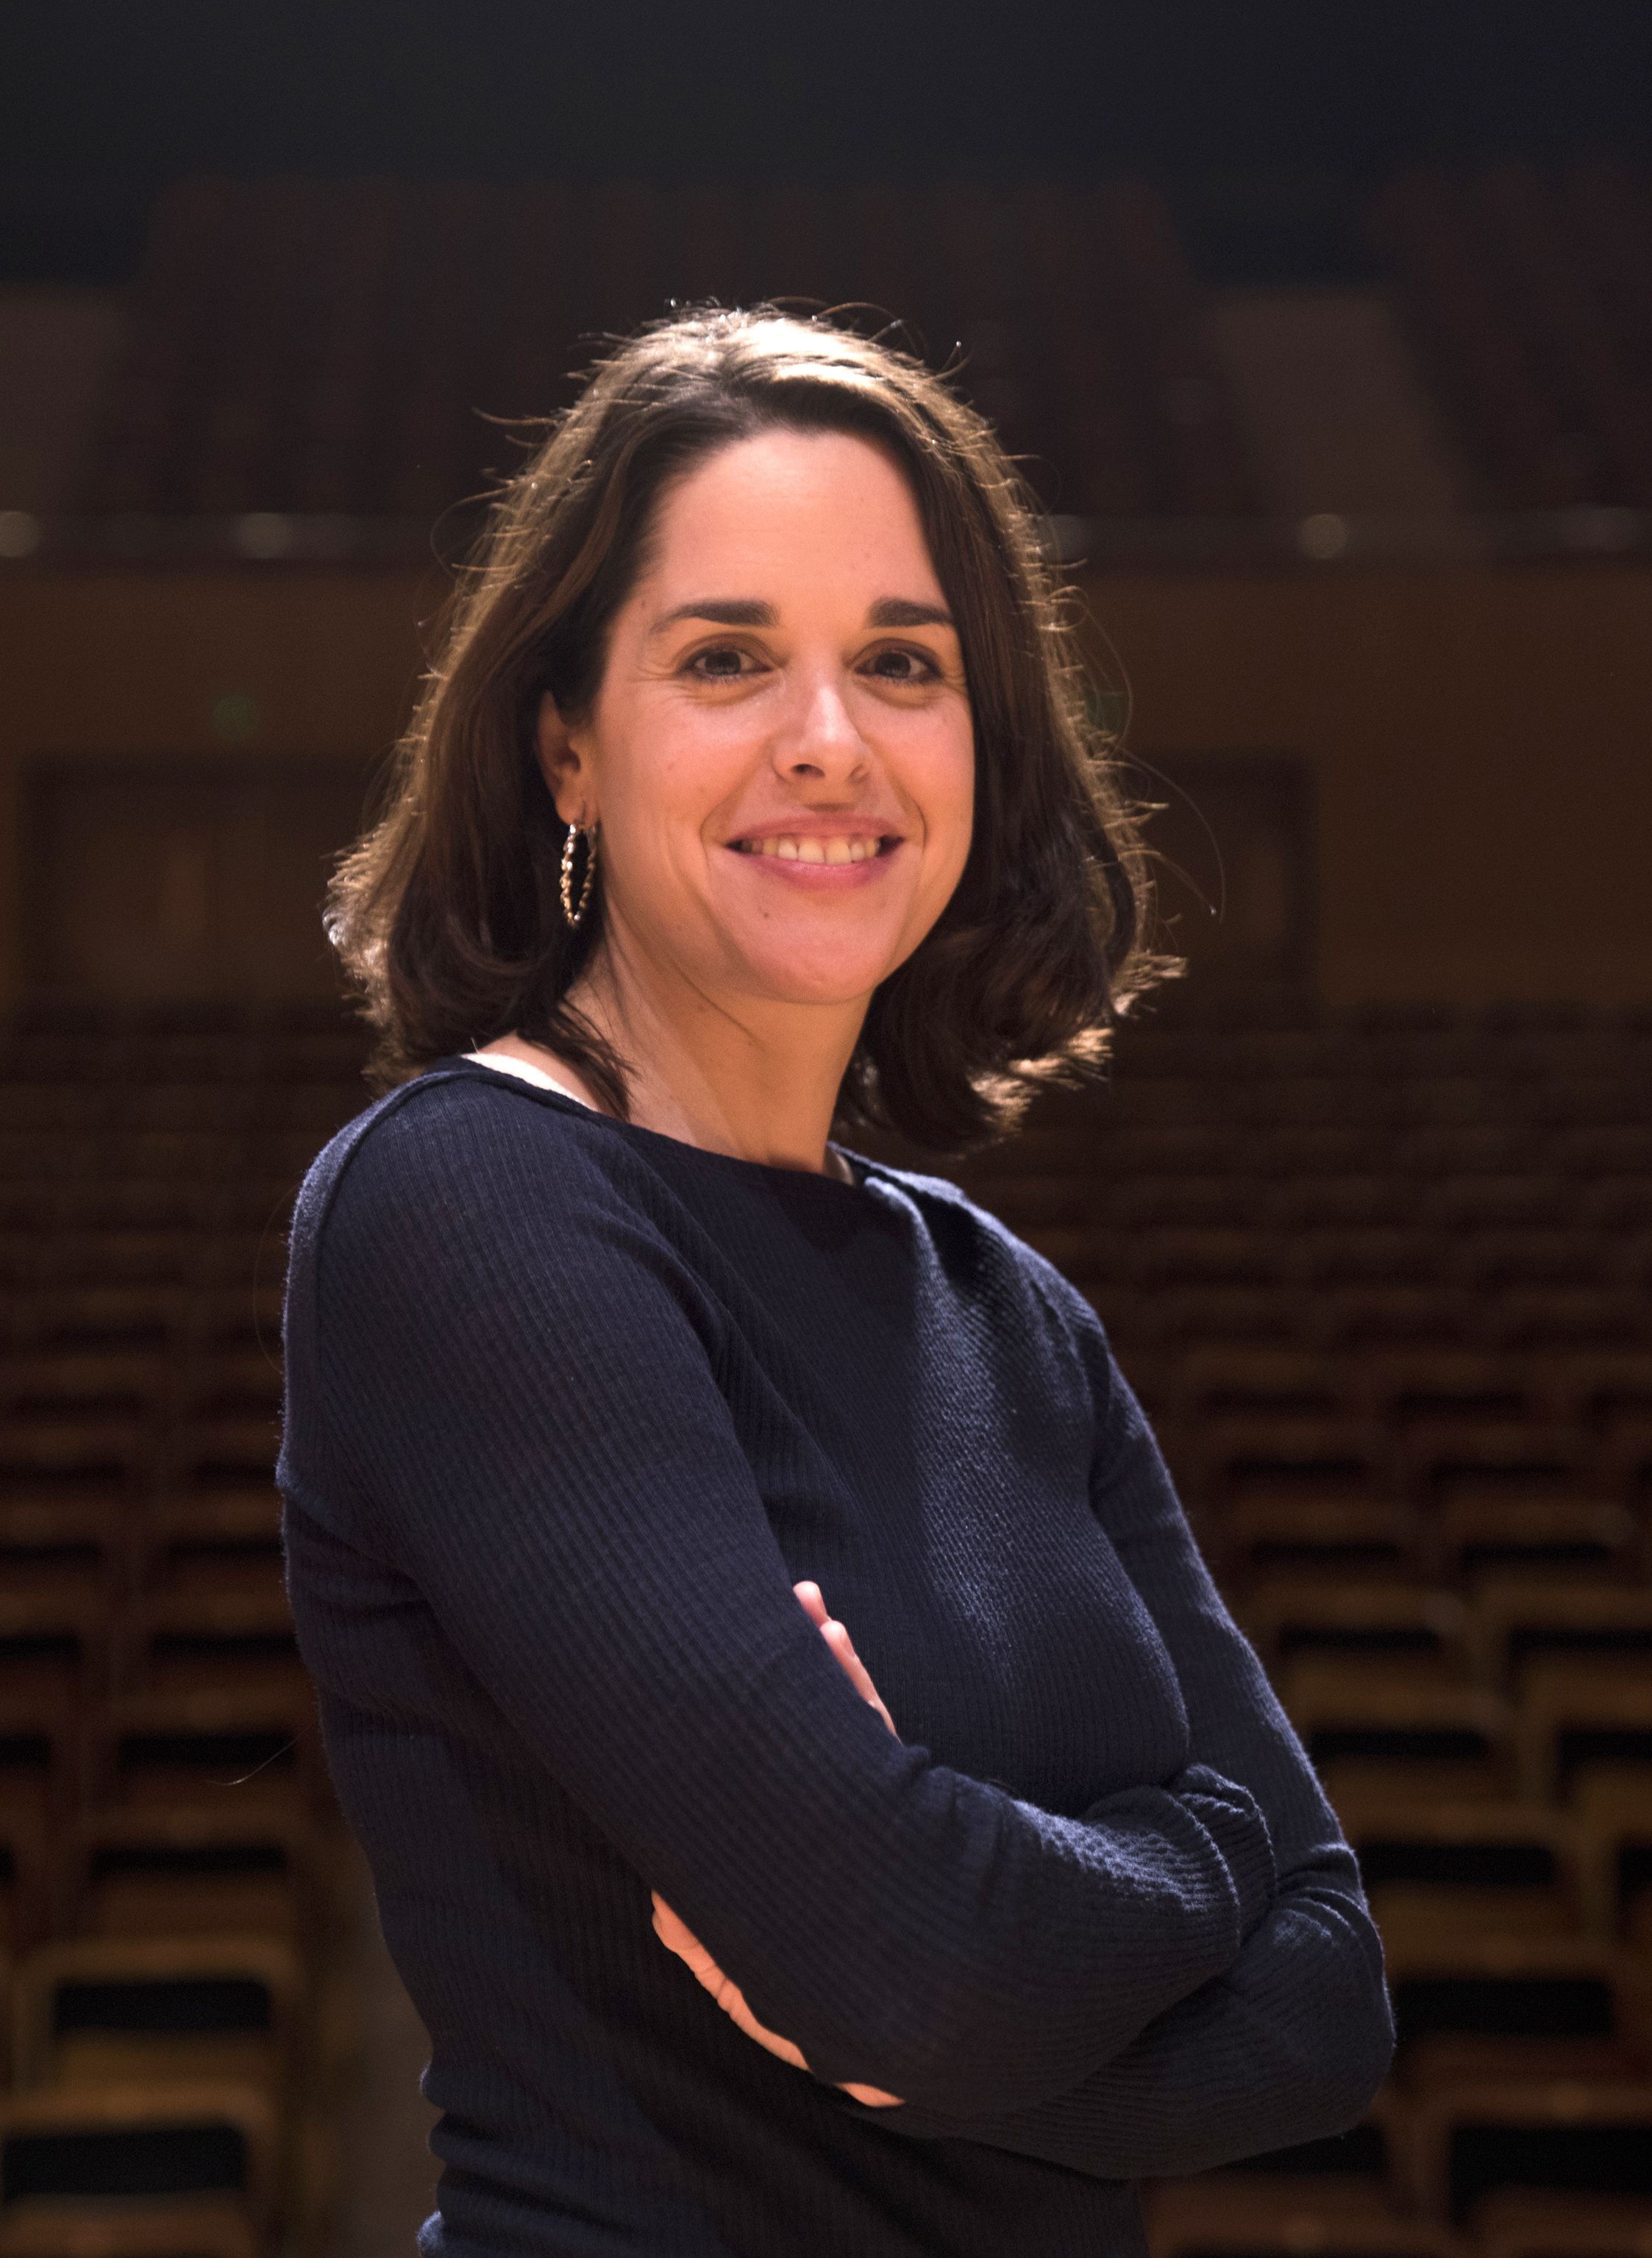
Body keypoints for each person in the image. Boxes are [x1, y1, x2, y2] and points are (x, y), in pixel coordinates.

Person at [279, 309, 1391, 2257]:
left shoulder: (1009, 1307)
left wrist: (991, 1938)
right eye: (726, 659)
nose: (830, 736)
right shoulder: (466, 1203)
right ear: (566, 744)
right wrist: (1193, 1862)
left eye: (902, 662)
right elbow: (912, 1964)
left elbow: (1329, 2000)